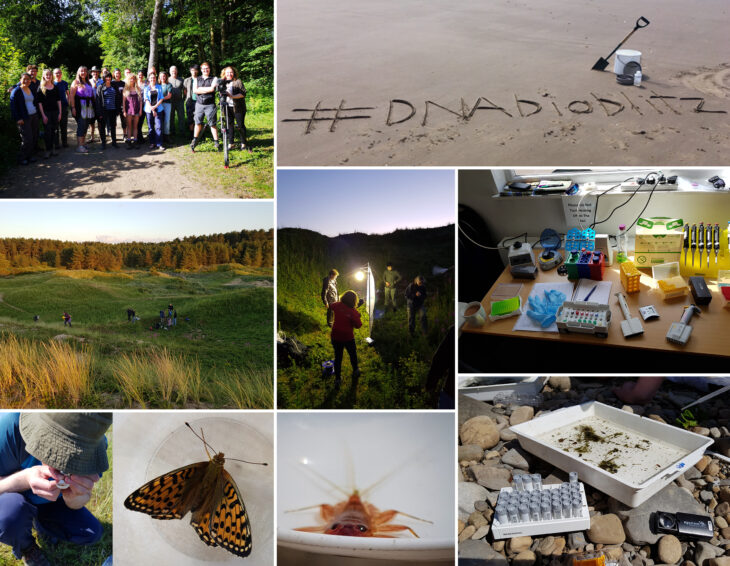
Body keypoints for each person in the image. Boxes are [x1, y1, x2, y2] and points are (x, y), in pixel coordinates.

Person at [0, 412, 110, 566]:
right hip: (10, 498)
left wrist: (74, 498)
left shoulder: (94, 444)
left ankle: (41, 523)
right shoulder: (10, 426)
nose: (62, 464)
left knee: (91, 533)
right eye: (55, 449)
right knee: (8, 517)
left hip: (52, 502)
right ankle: (27, 547)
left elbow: (79, 500)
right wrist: (25, 478)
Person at [328, 290, 362, 387]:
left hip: (335, 335)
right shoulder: (353, 312)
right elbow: (358, 325)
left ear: (343, 297)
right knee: (352, 354)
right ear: (354, 301)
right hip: (347, 337)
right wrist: (358, 315)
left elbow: (331, 306)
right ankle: (355, 370)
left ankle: (338, 379)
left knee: (338, 357)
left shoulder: (337, 305)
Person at [219, 66, 251, 152]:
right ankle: (231, 143)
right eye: (227, 72)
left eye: (231, 72)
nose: (229, 74)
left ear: (234, 73)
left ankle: (244, 143)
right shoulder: (222, 82)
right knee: (230, 125)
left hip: (238, 107)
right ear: (224, 73)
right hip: (226, 107)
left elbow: (243, 94)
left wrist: (232, 96)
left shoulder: (238, 81)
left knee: (240, 125)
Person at [190, 62, 220, 152]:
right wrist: (206, 90)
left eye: (207, 68)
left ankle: (216, 142)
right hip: (199, 104)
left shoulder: (214, 78)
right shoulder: (197, 79)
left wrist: (200, 89)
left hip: (210, 105)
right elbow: (195, 90)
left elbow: (212, 89)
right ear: (201, 69)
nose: (205, 70)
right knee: (197, 123)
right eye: (203, 68)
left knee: (212, 124)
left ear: (209, 69)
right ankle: (194, 140)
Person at [10, 73, 39, 165]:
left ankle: (29, 156)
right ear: (20, 79)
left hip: (33, 115)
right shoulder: (16, 90)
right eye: (24, 79)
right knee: (27, 139)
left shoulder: (29, 88)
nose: (26, 81)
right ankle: (21, 158)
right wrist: (18, 118)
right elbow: (13, 106)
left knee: (34, 136)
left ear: (30, 80)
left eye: (28, 79)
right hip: (24, 118)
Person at [68, 66, 95, 154]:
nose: (83, 72)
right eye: (81, 71)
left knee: (86, 125)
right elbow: (71, 95)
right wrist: (73, 107)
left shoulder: (88, 82)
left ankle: (82, 143)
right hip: (80, 106)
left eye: (85, 71)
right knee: (81, 125)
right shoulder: (75, 82)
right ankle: (79, 146)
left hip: (88, 106)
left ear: (87, 73)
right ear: (78, 72)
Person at [36, 69, 62, 159]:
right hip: (46, 113)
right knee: (47, 132)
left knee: (55, 131)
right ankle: (47, 150)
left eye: (49, 75)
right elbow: (39, 103)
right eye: (46, 75)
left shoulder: (55, 88)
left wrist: (60, 113)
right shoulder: (40, 88)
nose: (48, 76)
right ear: (43, 76)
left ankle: (53, 149)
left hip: (55, 112)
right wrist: (43, 115)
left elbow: (59, 101)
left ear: (52, 76)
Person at [143, 71, 165, 150]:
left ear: (156, 78)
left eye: (154, 77)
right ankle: (152, 143)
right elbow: (146, 99)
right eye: (151, 78)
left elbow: (161, 98)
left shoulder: (159, 87)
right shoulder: (146, 88)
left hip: (158, 109)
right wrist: (152, 109)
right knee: (151, 127)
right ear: (149, 79)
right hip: (149, 110)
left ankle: (159, 144)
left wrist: (155, 106)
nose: (152, 79)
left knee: (158, 127)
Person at [96, 73, 118, 148]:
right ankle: (103, 143)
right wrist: (99, 112)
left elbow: (117, 98)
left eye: (109, 77)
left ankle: (114, 142)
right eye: (106, 77)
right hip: (104, 110)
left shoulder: (114, 86)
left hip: (113, 110)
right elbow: (98, 101)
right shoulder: (100, 87)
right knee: (102, 127)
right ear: (104, 78)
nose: (108, 78)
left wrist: (117, 109)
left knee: (113, 126)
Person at [122, 74, 142, 149]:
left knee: (135, 127)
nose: (132, 80)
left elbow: (140, 101)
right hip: (128, 110)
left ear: (135, 80)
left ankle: (135, 141)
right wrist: (124, 110)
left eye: (133, 79)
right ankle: (129, 141)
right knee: (129, 127)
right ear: (128, 79)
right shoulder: (125, 89)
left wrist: (140, 110)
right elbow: (123, 101)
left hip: (136, 109)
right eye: (131, 79)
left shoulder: (138, 89)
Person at [52, 68, 69, 149]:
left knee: (64, 125)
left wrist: (68, 102)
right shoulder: (51, 84)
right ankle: (56, 144)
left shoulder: (64, 83)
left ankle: (64, 142)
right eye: (56, 73)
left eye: (59, 73)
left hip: (64, 106)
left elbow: (68, 94)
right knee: (55, 126)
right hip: (54, 107)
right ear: (53, 74)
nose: (58, 74)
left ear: (61, 74)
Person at [167, 66, 185, 137]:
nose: (173, 72)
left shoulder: (181, 79)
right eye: (172, 71)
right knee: (171, 117)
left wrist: (184, 98)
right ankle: (172, 132)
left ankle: (182, 133)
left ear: (177, 71)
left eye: (174, 70)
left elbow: (184, 90)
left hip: (180, 101)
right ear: (170, 72)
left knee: (181, 117)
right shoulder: (167, 80)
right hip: (170, 102)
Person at [183, 64, 200, 139]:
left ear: (197, 71)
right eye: (192, 70)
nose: (194, 72)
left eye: (195, 70)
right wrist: (187, 97)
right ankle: (191, 133)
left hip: (199, 101)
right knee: (190, 117)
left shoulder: (200, 79)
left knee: (198, 117)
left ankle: (198, 134)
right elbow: (185, 90)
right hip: (189, 101)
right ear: (190, 71)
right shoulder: (187, 80)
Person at [158, 71, 173, 143]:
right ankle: (159, 135)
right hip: (158, 105)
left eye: (164, 76)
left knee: (167, 120)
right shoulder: (157, 85)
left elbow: (169, 96)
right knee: (159, 120)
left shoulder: (169, 85)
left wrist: (161, 99)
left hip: (167, 104)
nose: (162, 78)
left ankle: (166, 135)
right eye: (161, 76)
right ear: (159, 77)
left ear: (166, 77)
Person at [87, 66, 101, 143]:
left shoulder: (102, 82)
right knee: (91, 122)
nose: (95, 73)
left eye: (96, 72)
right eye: (93, 72)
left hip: (99, 104)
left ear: (98, 73)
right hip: (91, 104)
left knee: (100, 122)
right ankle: (92, 137)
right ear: (91, 73)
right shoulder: (88, 82)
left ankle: (100, 137)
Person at [111, 69, 126, 137]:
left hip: (122, 104)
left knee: (123, 121)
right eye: (116, 73)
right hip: (114, 104)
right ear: (114, 74)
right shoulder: (111, 83)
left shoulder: (123, 83)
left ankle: (125, 134)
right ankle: (114, 136)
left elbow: (125, 94)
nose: (117, 75)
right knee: (113, 122)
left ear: (120, 74)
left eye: (119, 73)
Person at [136, 70, 147, 143]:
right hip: (136, 105)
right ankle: (138, 137)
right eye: (139, 75)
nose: (140, 76)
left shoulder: (146, 84)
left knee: (141, 122)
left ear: (143, 76)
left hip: (144, 105)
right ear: (137, 75)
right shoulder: (135, 84)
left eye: (141, 75)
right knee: (136, 122)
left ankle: (140, 137)